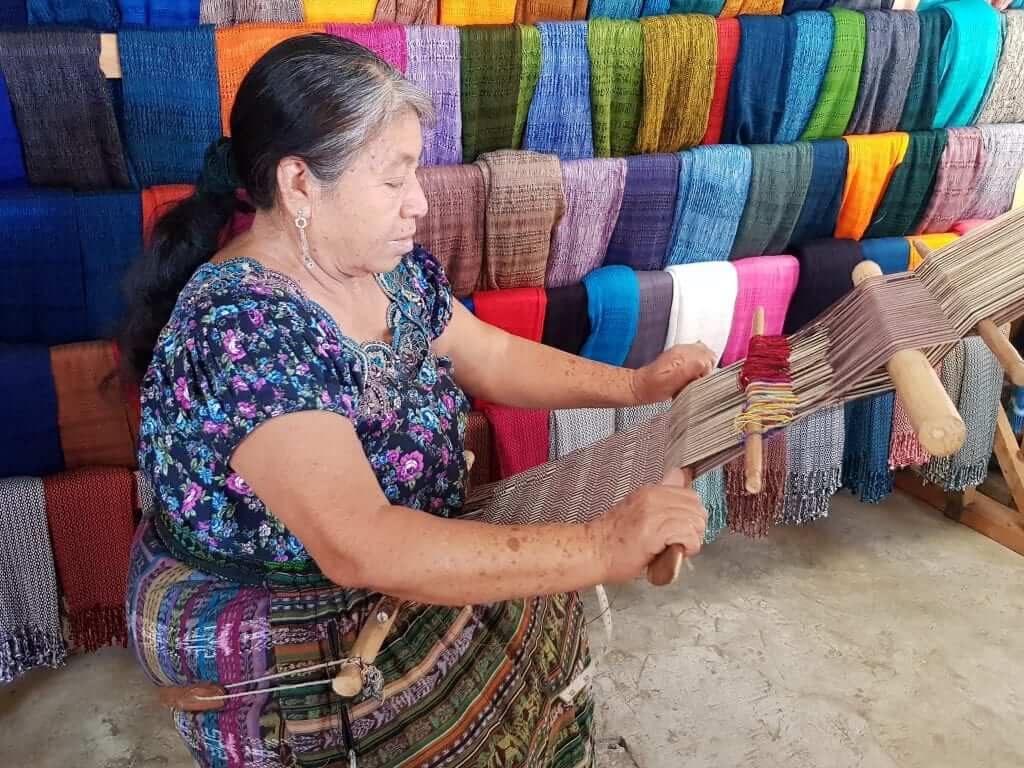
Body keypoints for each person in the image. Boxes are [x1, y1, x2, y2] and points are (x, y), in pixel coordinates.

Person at [121, 33, 712, 768]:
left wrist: (636, 384)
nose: (421, 204)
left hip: (382, 546)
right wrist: (599, 546)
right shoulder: (245, 327)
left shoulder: (382, 266)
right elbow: (361, 545)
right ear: (300, 183)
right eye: (395, 179)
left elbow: (488, 354)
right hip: (278, 607)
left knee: (527, 617)